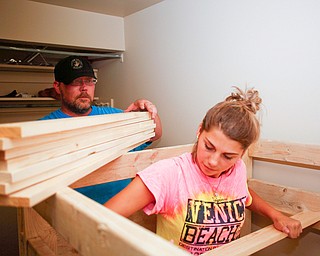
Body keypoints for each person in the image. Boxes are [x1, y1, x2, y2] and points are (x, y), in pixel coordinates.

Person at [104, 87, 302, 255]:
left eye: (228, 156)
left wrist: (276, 215)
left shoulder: (238, 170)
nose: (214, 162)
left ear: (242, 154)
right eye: (208, 146)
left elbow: (243, 194)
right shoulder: (169, 174)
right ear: (200, 131)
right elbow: (103, 216)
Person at [40, 55, 162, 203]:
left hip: (124, 212)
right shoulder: (43, 130)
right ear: (58, 87)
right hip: (76, 215)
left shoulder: (115, 116)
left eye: (89, 81)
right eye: (76, 82)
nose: (84, 88)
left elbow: (155, 134)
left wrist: (147, 111)